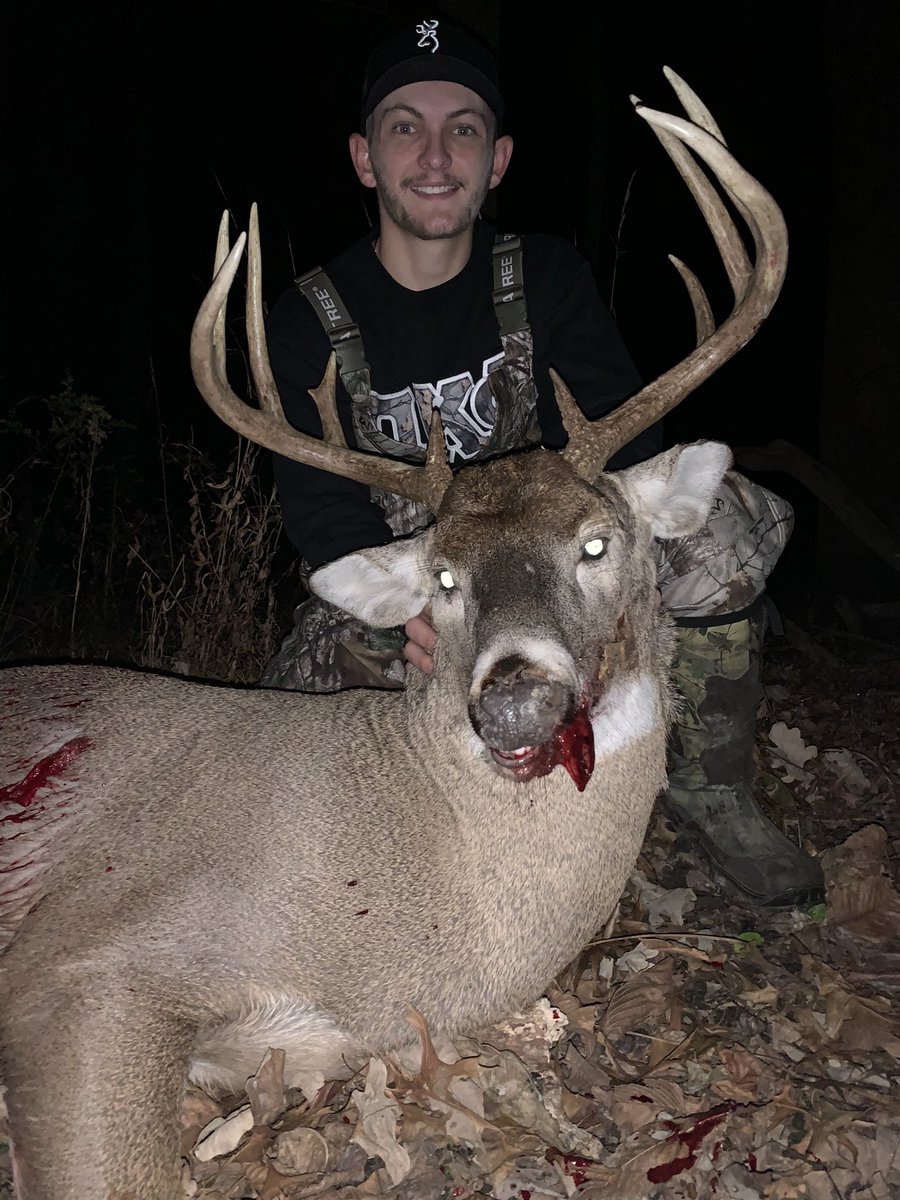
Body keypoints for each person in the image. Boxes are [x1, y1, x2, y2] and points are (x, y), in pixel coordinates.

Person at [261, 16, 823, 909]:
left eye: (464, 129)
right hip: (427, 558)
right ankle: (401, 848)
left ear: (499, 160)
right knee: (303, 708)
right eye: (405, 127)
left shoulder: (543, 277)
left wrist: (602, 557)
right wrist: (415, 612)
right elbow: (324, 515)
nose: (435, 155)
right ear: (365, 158)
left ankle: (709, 789)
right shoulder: (306, 321)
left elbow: (623, 441)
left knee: (711, 536)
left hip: (552, 530)